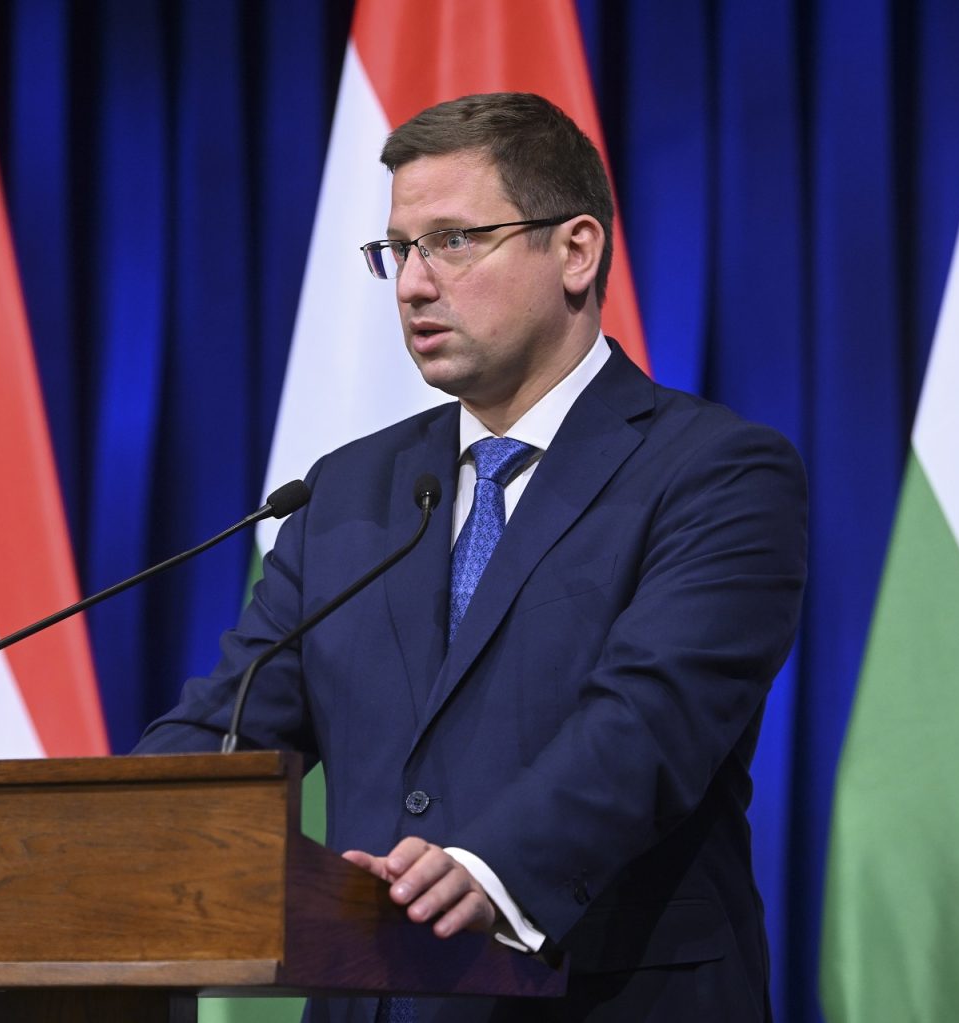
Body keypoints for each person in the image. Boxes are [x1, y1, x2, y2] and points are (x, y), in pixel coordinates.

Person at [135, 92, 807, 1023]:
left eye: (452, 241)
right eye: (398, 250)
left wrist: (492, 869)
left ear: (576, 250)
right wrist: (104, 836)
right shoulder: (348, 491)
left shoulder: (716, 473)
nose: (412, 284)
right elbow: (231, 725)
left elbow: (649, 721)